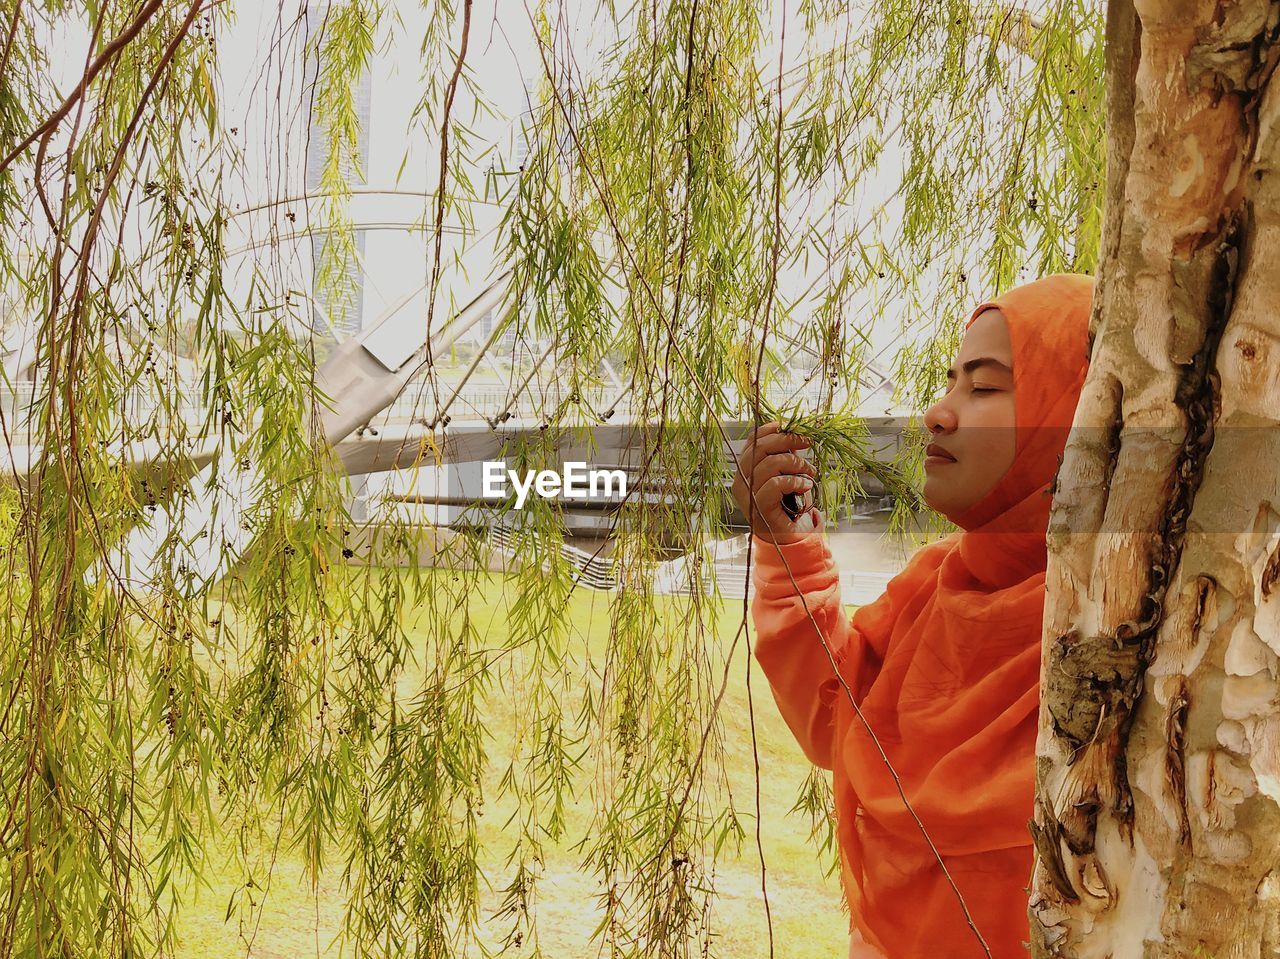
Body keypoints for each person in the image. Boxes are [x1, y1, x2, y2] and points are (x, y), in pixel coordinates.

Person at [731, 274, 1094, 959]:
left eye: (982, 387)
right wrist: (788, 550)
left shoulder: (1135, 629)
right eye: (950, 381)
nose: (937, 411)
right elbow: (835, 721)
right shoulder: (934, 586)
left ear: (1075, 414)